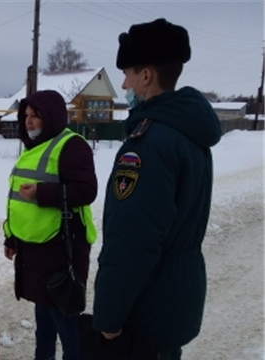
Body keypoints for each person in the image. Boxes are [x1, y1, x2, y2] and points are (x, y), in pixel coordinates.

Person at [92, 18, 222, 359]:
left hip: (145, 308)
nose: (123, 84)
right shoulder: (189, 132)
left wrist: (108, 315)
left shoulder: (147, 145)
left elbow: (133, 241)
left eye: (128, 74)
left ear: (146, 76)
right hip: (174, 301)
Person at [3, 90, 98, 360]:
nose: (28, 121)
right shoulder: (34, 149)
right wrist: (11, 238)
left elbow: (86, 190)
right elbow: (18, 204)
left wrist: (42, 193)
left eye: (36, 116)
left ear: (52, 117)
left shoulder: (71, 145)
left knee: (67, 328)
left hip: (62, 251)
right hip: (35, 251)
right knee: (43, 327)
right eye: (26, 116)